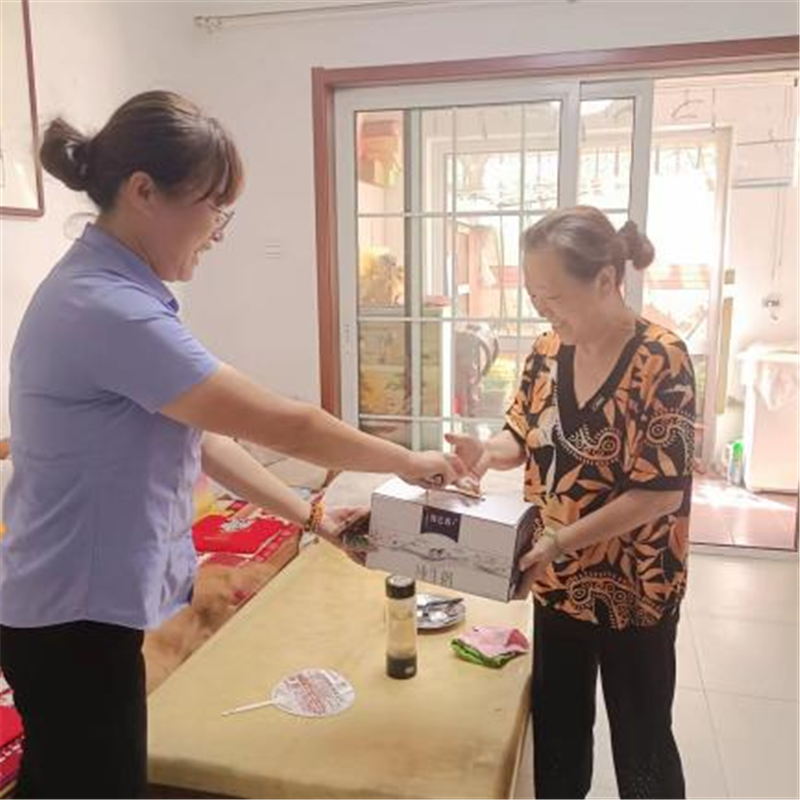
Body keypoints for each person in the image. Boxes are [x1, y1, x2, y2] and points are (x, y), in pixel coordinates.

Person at [0, 91, 463, 799]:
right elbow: (287, 425)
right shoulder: (106, 309)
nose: (219, 232)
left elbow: (204, 440)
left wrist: (311, 515)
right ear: (144, 192)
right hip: (71, 618)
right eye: (214, 207)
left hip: (75, 609)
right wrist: (409, 460)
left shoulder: (119, 293)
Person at [447, 206, 696, 799]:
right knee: (558, 736)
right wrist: (487, 452)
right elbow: (522, 433)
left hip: (637, 587)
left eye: (554, 296)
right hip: (556, 580)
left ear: (607, 279)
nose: (544, 311)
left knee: (643, 742)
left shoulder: (662, 359)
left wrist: (561, 539)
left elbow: (659, 493)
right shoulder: (545, 351)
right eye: (535, 297)